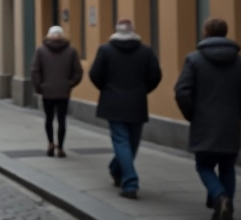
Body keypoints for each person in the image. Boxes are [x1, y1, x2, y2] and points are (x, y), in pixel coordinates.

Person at [174, 18, 241, 220]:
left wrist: (192, 114)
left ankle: (220, 197)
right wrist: (238, 115)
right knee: (227, 167)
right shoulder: (240, 62)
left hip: (204, 123)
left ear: (206, 33)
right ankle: (226, 208)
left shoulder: (194, 60)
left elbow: (182, 91)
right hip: (230, 123)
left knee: (204, 166)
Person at [89, 19, 162, 200]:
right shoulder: (145, 51)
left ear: (116, 30)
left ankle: (120, 173)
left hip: (113, 103)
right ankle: (129, 180)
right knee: (132, 143)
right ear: (133, 31)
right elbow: (155, 75)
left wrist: (107, 89)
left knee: (122, 143)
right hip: (137, 103)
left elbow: (95, 74)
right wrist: (143, 90)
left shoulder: (105, 50)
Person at [30, 26, 83, 157]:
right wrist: (69, 84)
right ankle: (60, 147)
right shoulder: (71, 51)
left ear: (48, 36)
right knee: (61, 120)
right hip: (63, 92)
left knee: (49, 119)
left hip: (47, 91)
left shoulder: (41, 50)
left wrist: (39, 87)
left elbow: (35, 70)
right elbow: (78, 72)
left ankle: (50, 143)